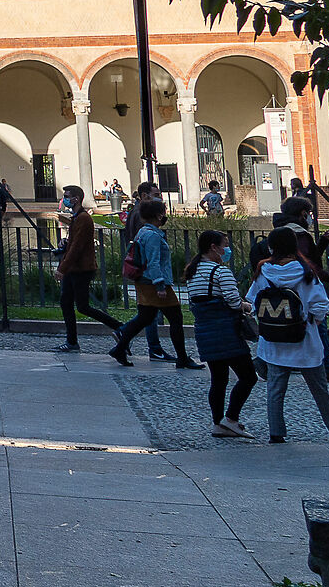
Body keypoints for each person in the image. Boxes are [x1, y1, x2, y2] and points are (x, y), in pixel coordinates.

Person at [247, 227, 329, 444]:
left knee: (275, 390)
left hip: (274, 341)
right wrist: (312, 320)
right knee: (320, 390)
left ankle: (276, 432)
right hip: (304, 341)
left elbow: (253, 301)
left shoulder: (263, 271)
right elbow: (320, 304)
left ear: (271, 247)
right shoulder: (305, 272)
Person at [184, 230, 257, 437]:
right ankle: (231, 418)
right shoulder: (220, 272)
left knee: (218, 379)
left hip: (205, 332)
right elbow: (233, 302)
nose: (227, 249)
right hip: (226, 332)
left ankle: (217, 422)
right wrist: (246, 305)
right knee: (248, 376)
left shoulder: (192, 271)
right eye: (225, 245)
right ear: (213, 247)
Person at [112, 196, 199, 369]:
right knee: (175, 318)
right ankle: (182, 358)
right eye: (164, 213)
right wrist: (160, 285)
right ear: (159, 215)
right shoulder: (152, 235)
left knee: (145, 317)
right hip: (154, 283)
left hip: (144, 281)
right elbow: (153, 262)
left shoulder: (143, 232)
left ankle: (120, 348)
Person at [55, 185, 122, 351]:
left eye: (67, 196)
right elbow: (74, 243)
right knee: (66, 302)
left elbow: (77, 247)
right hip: (75, 268)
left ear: (76, 199)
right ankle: (72, 341)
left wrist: (62, 268)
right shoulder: (78, 217)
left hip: (81, 269)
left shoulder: (83, 218)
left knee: (82, 306)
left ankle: (120, 327)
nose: (65, 199)